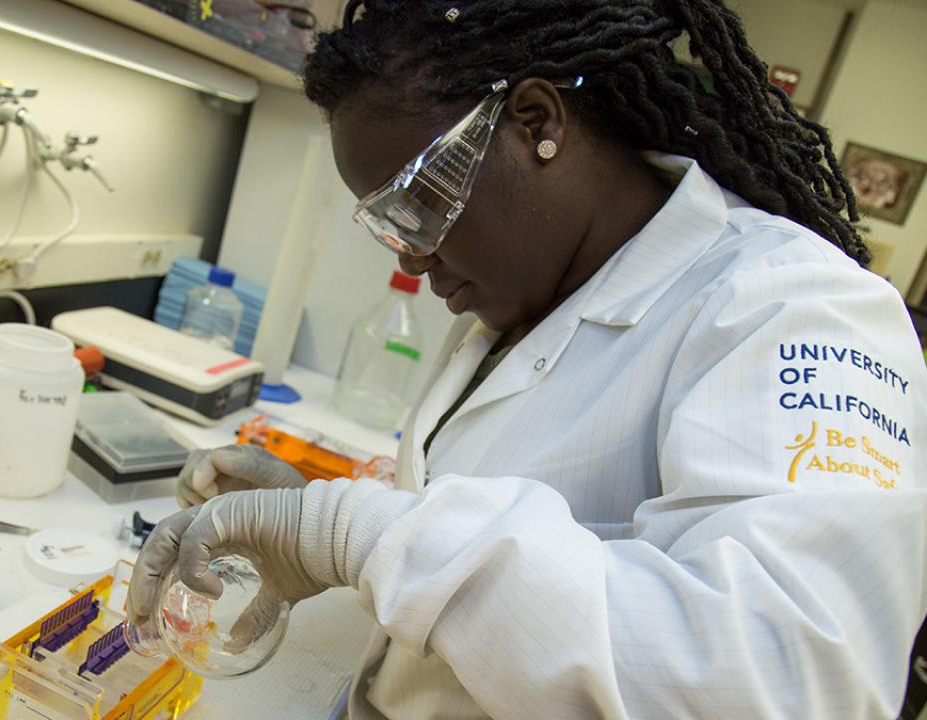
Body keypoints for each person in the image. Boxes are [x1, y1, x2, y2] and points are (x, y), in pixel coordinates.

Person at [129, 1, 927, 717]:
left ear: (534, 120)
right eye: (389, 224)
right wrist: (318, 518)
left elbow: (790, 685)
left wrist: (355, 534)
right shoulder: (536, 292)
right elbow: (488, 509)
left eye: (419, 203)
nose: (413, 253)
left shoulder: (795, 308)